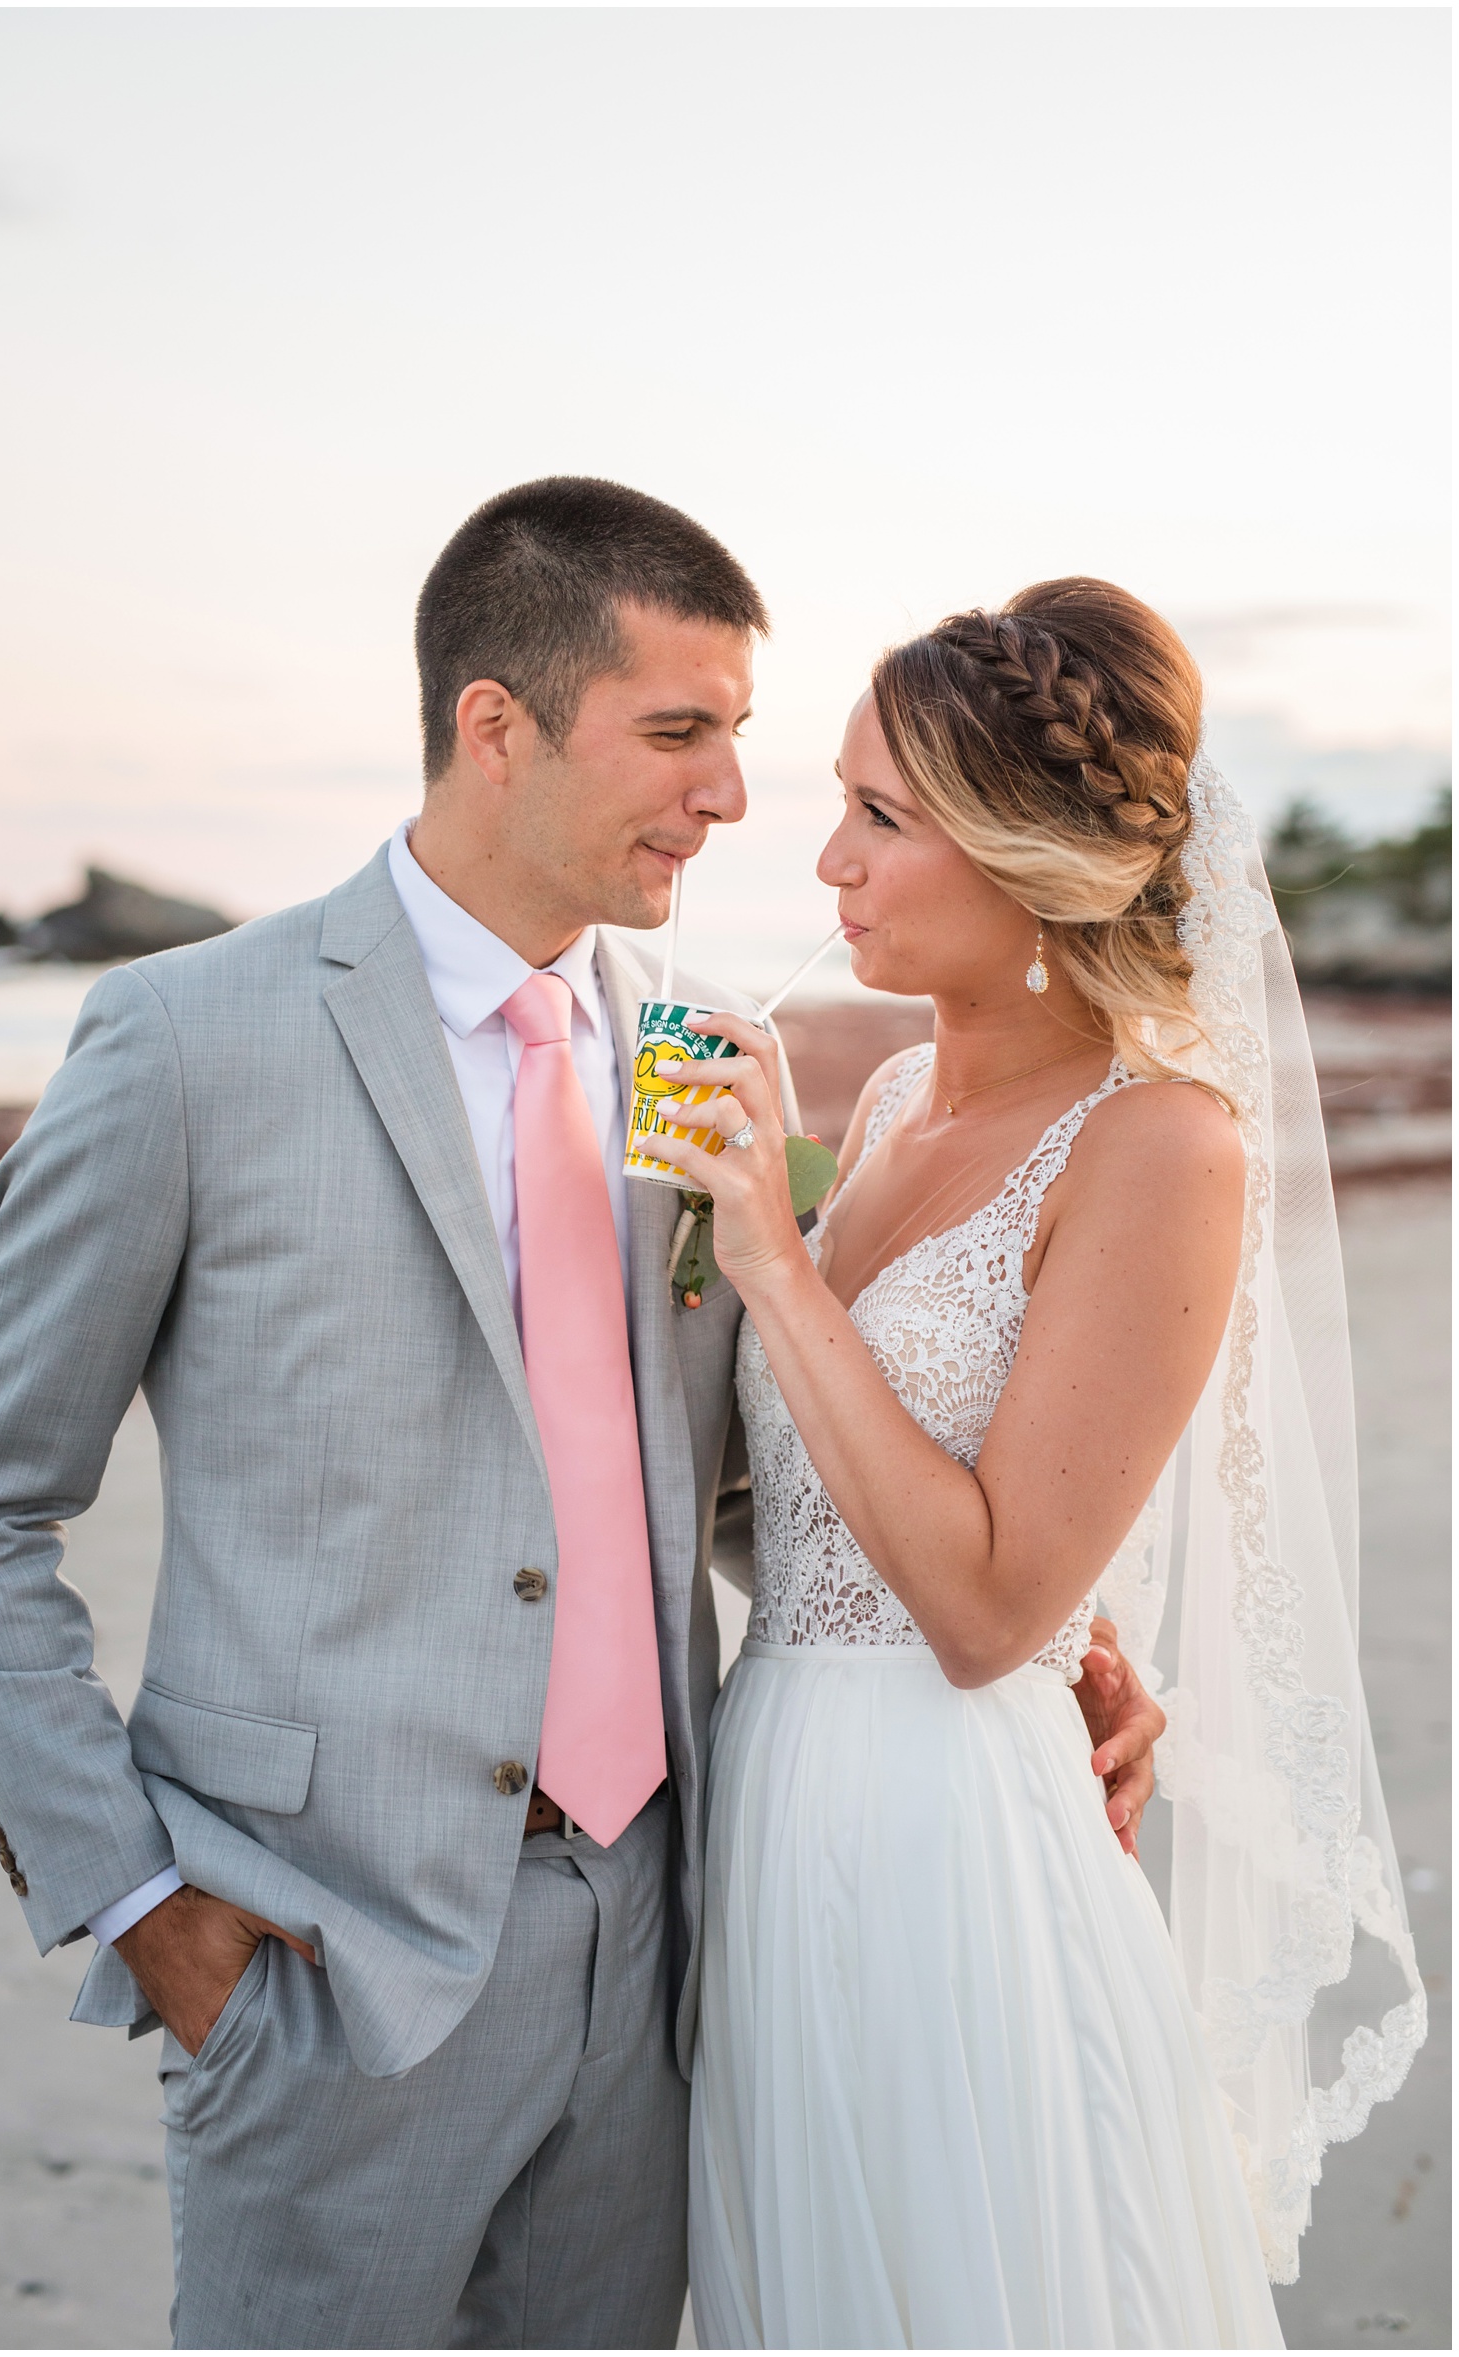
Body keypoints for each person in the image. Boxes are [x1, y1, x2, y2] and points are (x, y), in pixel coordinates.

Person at [0, 488, 1165, 2351]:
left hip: (664, 1950)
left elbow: (738, 1463)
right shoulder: (186, 1044)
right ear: (496, 726)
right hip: (318, 1962)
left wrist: (1055, 1638)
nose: (733, 797)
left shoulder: (699, 1042)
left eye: (740, 733)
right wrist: (139, 1894)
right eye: (680, 732)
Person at [636, 580, 1424, 2349]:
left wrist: (770, 1252)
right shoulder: (905, 1101)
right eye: (841, 801)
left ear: (1032, 860)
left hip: (948, 1832)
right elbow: (838, 1517)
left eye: (881, 816)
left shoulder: (1161, 1146)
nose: (824, 859)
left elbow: (988, 1607)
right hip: (774, 1790)